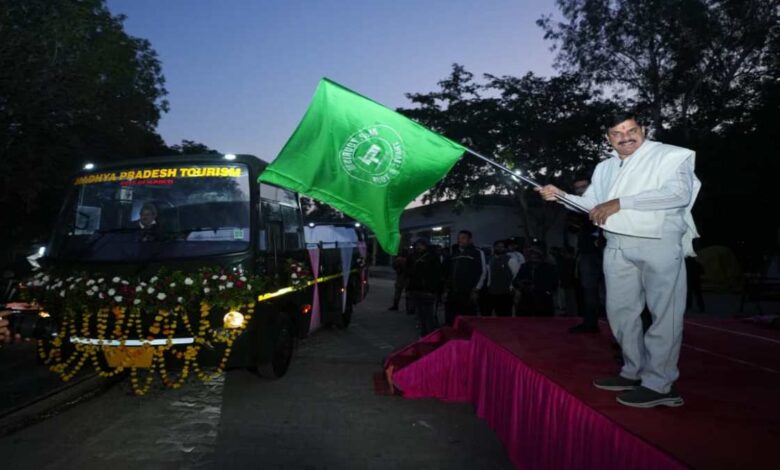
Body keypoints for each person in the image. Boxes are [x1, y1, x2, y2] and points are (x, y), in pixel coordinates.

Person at [537, 110, 700, 408]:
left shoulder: (671, 156)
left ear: (643, 128)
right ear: (608, 138)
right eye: (617, 133)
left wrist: (621, 202)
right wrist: (560, 195)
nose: (625, 138)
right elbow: (591, 205)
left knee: (664, 313)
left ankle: (661, 385)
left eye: (631, 130)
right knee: (619, 311)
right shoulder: (605, 167)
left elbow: (678, 194)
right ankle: (633, 371)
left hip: (659, 241)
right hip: (616, 244)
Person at [568, 175, 605, 333]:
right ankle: (590, 324)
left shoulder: (605, 200)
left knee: (615, 292)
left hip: (609, 251)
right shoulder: (576, 206)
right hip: (588, 253)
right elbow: (571, 227)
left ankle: (624, 334)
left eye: (584, 186)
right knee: (588, 288)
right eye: (578, 188)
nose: (581, 190)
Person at [444, 230, 486, 326]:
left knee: (468, 320)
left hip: (468, 293)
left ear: (470, 240)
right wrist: (446, 288)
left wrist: (476, 289)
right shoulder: (454, 253)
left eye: (463, 238)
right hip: (453, 293)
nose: (460, 240)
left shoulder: (477, 252)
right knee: (453, 319)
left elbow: (483, 272)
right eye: (459, 238)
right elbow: (449, 273)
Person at [406, 239, 444, 336]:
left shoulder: (432, 256)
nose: (419, 247)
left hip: (428, 290)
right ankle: (424, 333)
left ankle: (431, 334)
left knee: (429, 314)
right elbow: (410, 273)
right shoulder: (414, 256)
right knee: (420, 314)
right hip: (417, 289)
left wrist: (433, 288)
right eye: (417, 245)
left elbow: (437, 274)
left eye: (421, 245)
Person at [513, 245, 558, 316]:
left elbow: (553, 284)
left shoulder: (549, 268)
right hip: (526, 301)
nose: (533, 256)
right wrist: (521, 284)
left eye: (535, 254)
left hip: (543, 301)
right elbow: (516, 281)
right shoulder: (524, 266)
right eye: (531, 254)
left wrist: (536, 287)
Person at [486, 240, 521, 316]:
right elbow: (489, 275)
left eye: (502, 247)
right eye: (497, 246)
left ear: (505, 248)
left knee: (505, 315)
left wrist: (512, 287)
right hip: (492, 292)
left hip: (506, 293)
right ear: (494, 247)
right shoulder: (490, 260)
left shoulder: (511, 260)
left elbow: (516, 274)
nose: (499, 248)